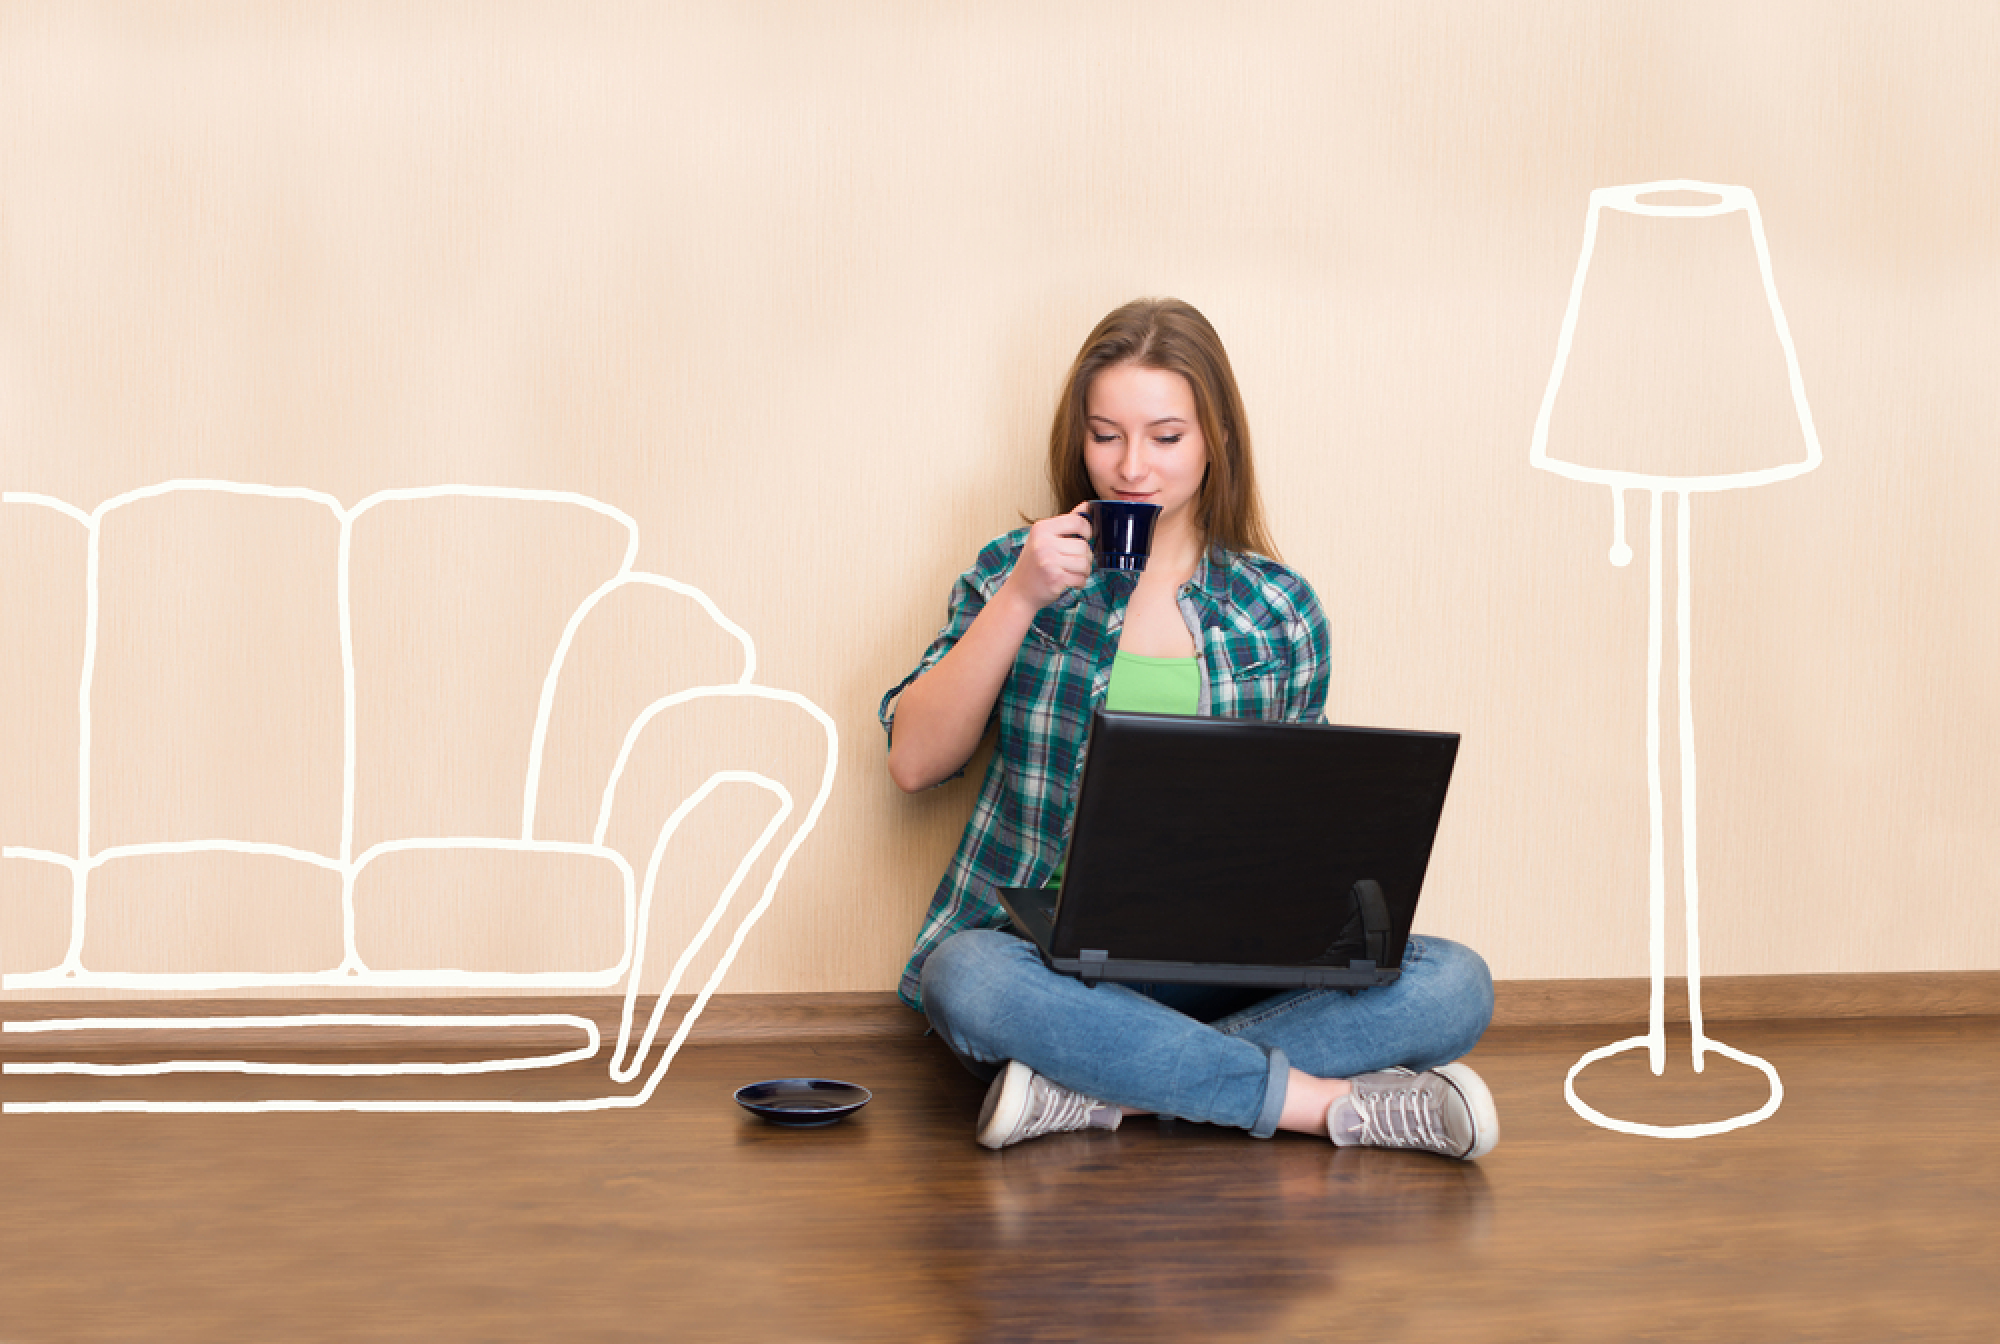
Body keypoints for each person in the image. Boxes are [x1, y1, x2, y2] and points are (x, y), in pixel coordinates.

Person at [879, 298, 1499, 1158]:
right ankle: (1326, 1106)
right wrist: (1020, 596)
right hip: (1054, 960)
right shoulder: (1011, 571)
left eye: (1165, 438)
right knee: (965, 978)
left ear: (1215, 442)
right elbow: (915, 761)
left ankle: (1100, 1089)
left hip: (1229, 965)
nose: (1132, 468)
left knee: (1455, 984)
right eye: (1107, 436)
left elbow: (1311, 833)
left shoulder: (1278, 609)